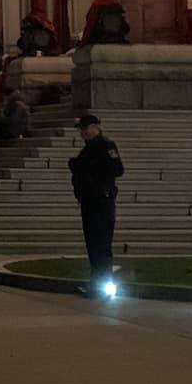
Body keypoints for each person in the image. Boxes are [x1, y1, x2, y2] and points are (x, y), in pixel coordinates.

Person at [68, 112, 125, 283]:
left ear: (95, 127)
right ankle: (96, 281)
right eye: (81, 129)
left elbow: (117, 169)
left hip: (102, 200)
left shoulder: (106, 146)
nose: (82, 132)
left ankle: (103, 282)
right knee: (92, 244)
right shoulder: (87, 149)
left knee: (101, 243)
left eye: (85, 128)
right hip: (89, 201)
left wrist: (91, 170)